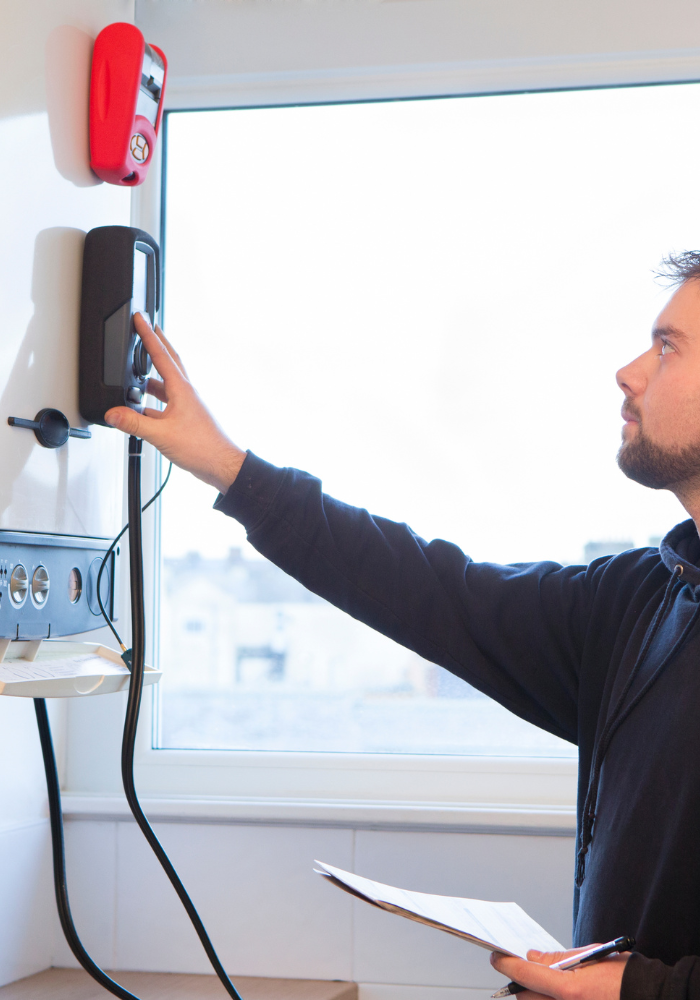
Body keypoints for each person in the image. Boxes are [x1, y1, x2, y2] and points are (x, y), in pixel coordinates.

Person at [104, 253, 700, 1000]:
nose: (629, 370)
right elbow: (431, 590)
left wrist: (626, 989)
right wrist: (230, 469)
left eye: (668, 346)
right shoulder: (644, 601)